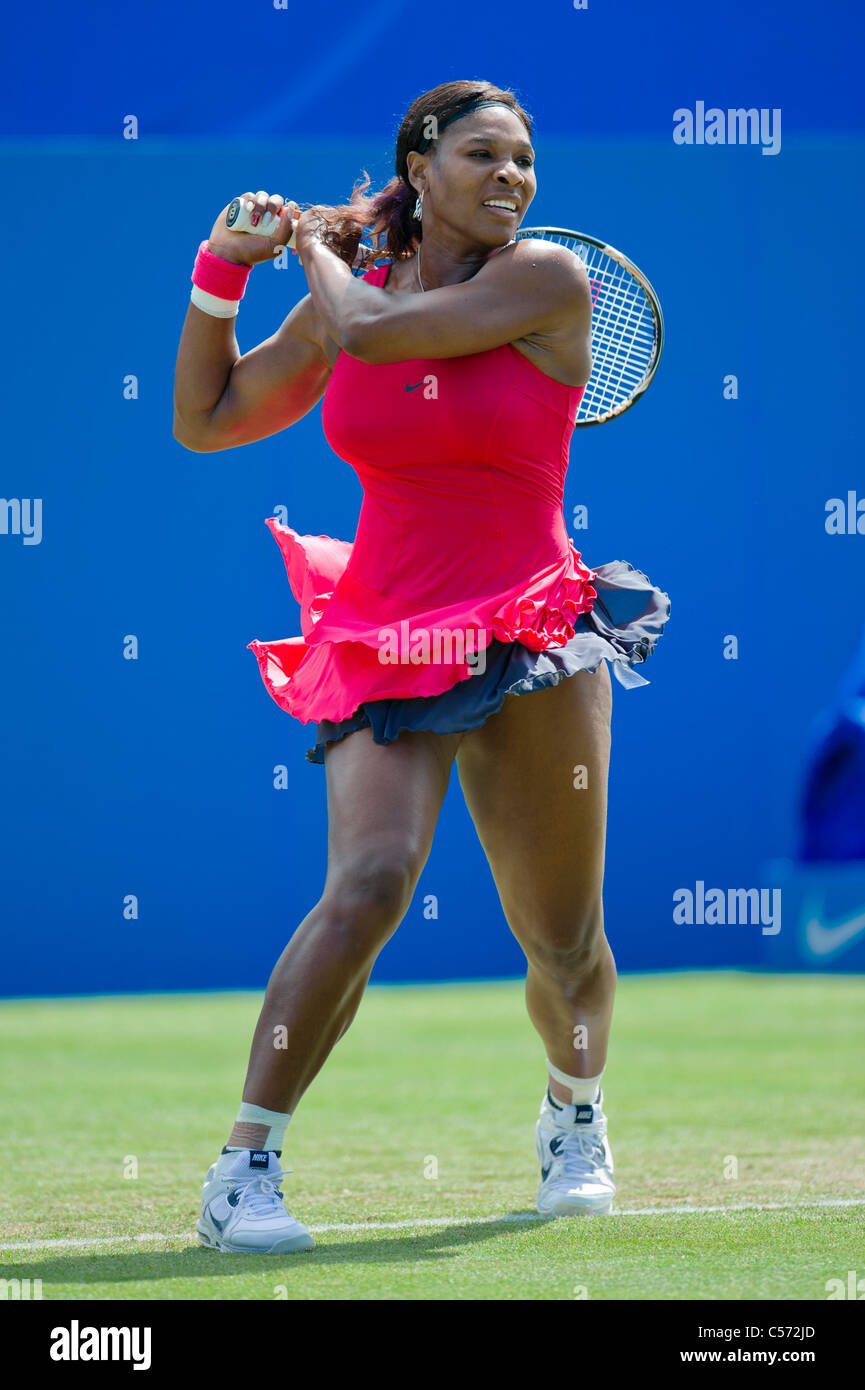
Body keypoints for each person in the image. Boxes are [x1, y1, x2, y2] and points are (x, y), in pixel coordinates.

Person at [174, 79, 670, 1255]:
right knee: (372, 881)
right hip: (387, 629)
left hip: (533, 628)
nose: (513, 178)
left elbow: (377, 336)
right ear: (422, 160)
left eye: (525, 161)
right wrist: (220, 271)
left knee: (562, 940)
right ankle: (243, 1167)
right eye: (486, 156)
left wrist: (308, 243)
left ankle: (574, 1110)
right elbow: (210, 415)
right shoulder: (353, 288)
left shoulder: (547, 278)